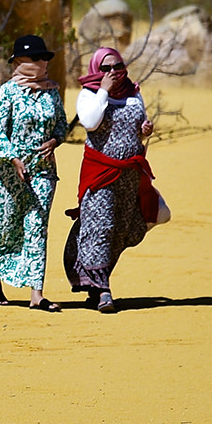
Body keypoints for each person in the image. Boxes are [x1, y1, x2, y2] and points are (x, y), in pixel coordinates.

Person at [0, 34, 67, 310]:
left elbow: (61, 125)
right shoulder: (8, 91)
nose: (41, 62)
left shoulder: (52, 92)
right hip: (8, 173)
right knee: (4, 226)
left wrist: (54, 141)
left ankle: (37, 294)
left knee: (37, 227)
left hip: (43, 171)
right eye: (34, 58)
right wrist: (12, 158)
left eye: (44, 58)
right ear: (19, 61)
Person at [62, 46, 159, 313]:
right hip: (101, 172)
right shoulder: (89, 94)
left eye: (117, 66)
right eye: (106, 68)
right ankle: (104, 291)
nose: (113, 72)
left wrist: (145, 130)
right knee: (101, 226)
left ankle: (94, 286)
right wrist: (103, 90)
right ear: (97, 70)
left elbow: (138, 128)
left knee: (120, 227)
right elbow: (90, 122)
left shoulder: (133, 93)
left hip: (129, 175)